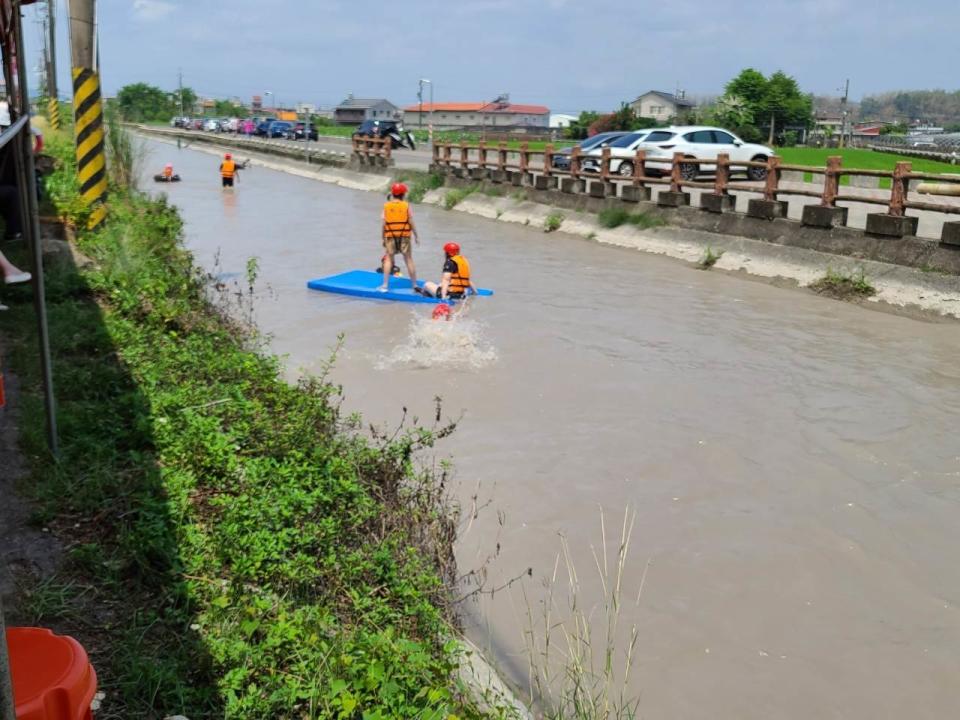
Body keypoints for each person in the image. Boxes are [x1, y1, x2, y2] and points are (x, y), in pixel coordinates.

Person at [379, 182, 418, 291]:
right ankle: (414, 285)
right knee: (408, 259)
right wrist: (416, 235)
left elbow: (384, 224)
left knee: (389, 259)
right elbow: (411, 222)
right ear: (403, 194)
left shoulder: (386, 206)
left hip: (390, 236)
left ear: (392, 193)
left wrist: (383, 238)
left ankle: (385, 286)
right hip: (404, 236)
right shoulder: (406, 206)